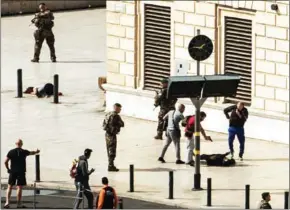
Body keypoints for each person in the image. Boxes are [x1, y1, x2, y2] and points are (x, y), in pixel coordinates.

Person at [4, 139, 40, 209]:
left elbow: (5, 161)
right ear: (22, 144)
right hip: (21, 171)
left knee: (9, 186)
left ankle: (7, 202)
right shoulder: (24, 152)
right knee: (19, 187)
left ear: (16, 144)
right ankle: (19, 204)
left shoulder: (11, 152)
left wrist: (8, 169)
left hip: (13, 171)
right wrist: (36, 151)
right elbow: (31, 153)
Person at [103, 103, 124, 172]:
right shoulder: (116, 116)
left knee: (108, 150)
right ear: (116, 108)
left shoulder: (108, 114)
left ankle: (110, 164)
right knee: (112, 150)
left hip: (107, 135)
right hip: (112, 135)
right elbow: (122, 124)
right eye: (119, 108)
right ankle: (111, 166)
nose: (120, 110)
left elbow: (103, 124)